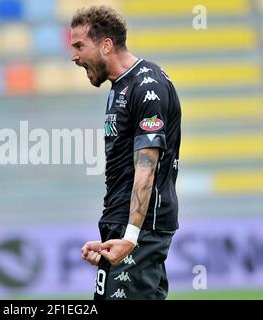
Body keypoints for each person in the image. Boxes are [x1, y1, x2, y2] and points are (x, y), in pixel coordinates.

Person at [70, 6, 181, 300]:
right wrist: (112, 236)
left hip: (140, 230)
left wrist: (130, 238)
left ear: (106, 44)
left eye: (79, 45)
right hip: (125, 226)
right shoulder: (120, 88)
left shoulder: (147, 86)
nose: (74, 56)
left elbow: (147, 167)